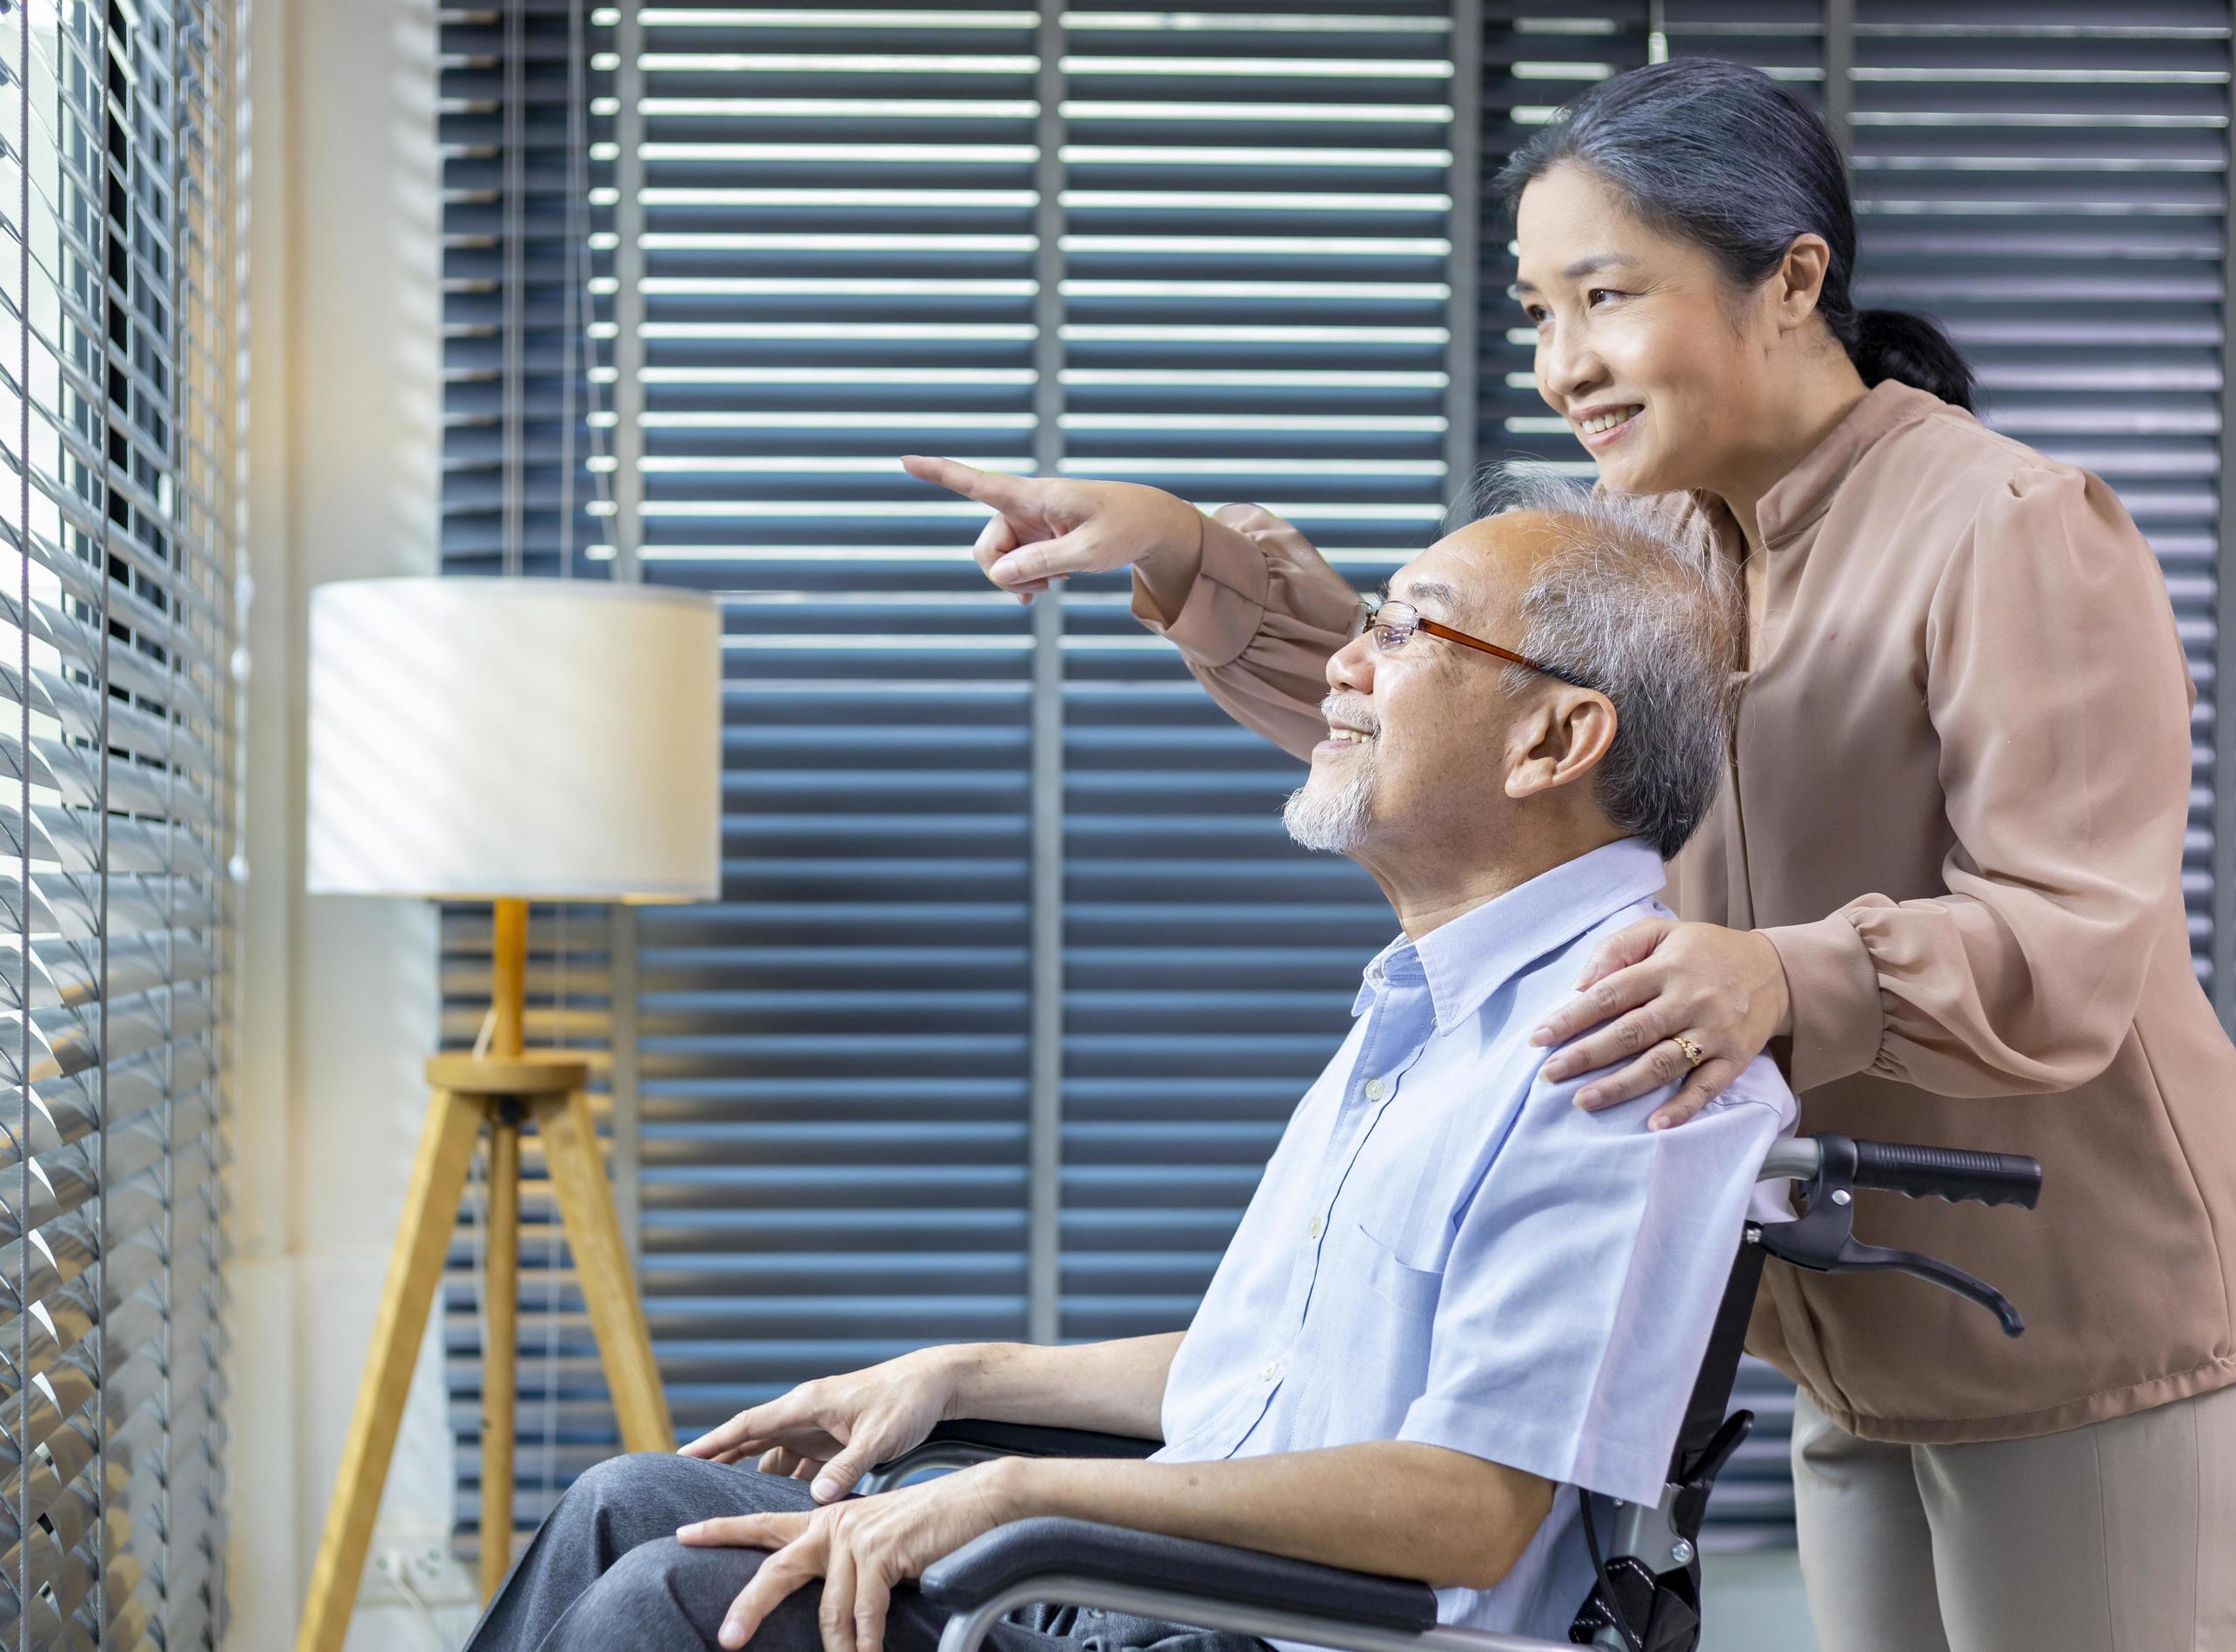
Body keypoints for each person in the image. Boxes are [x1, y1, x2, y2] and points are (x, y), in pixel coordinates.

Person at [910, 56, 2236, 1652]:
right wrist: (1185, 552)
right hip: (1854, 1325)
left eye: (1605, 297)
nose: (1564, 363)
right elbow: (1461, 723)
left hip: (2088, 1329)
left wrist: (1775, 970)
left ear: (1791, 281)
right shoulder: (1652, 535)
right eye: (1536, 313)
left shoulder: (2009, 526)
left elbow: (2073, 934)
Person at [459, 486, 1796, 1652]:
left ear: (1555, 741)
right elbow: (1281, 1373)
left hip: (1275, 1637)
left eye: (1402, 628)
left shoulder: (1622, 1044)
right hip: (1158, 1597)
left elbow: (1471, 1505)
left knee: (677, 1608)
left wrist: (1018, 1489)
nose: (1343, 664)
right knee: (626, 1509)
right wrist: (968, 1375)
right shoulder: (1435, 1007)